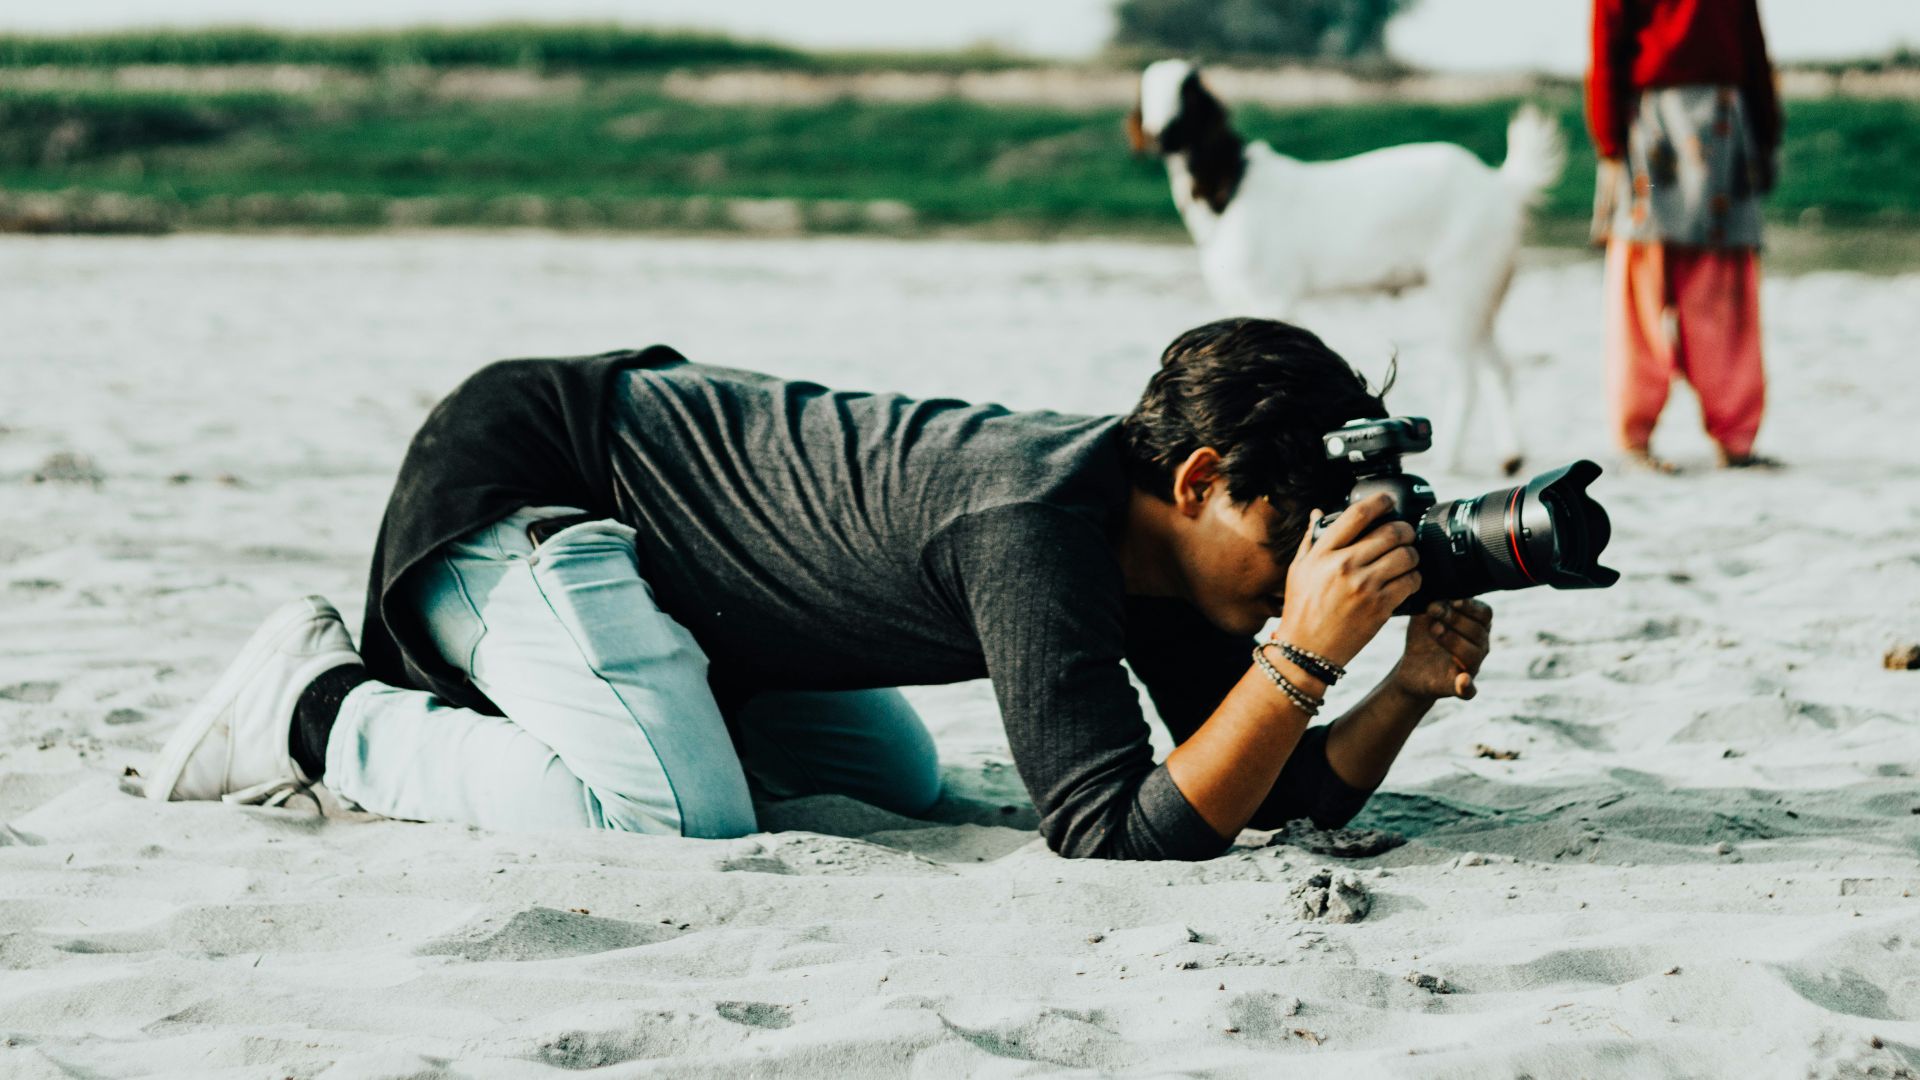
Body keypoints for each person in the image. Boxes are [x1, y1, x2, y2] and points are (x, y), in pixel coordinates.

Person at [146, 318, 1492, 861]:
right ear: (1198, 479)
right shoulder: (1036, 524)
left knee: (897, 783)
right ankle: (316, 707)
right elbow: (1110, 838)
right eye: (1295, 538)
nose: (1305, 572)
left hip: (686, 589)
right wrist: (1303, 659)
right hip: (533, 486)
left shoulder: (1168, 562)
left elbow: (1255, 785)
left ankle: (627, 694)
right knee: (675, 817)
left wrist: (1409, 685)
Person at [1588, 0, 1781, 471]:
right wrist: (1611, 141)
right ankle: (1637, 436)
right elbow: (1608, 51)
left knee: (1722, 292)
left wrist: (1765, 134)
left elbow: (1752, 51)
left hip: (1719, 124)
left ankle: (1734, 435)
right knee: (1646, 287)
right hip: (1656, 127)